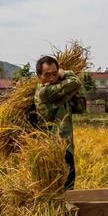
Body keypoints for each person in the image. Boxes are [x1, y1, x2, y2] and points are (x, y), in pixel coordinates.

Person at [34, 56, 84, 190]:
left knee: (68, 189)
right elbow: (76, 82)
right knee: (58, 191)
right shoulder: (45, 92)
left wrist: (73, 92)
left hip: (66, 148)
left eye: (55, 74)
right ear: (39, 76)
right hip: (52, 150)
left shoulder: (60, 91)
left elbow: (80, 108)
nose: (52, 78)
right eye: (47, 75)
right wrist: (64, 73)